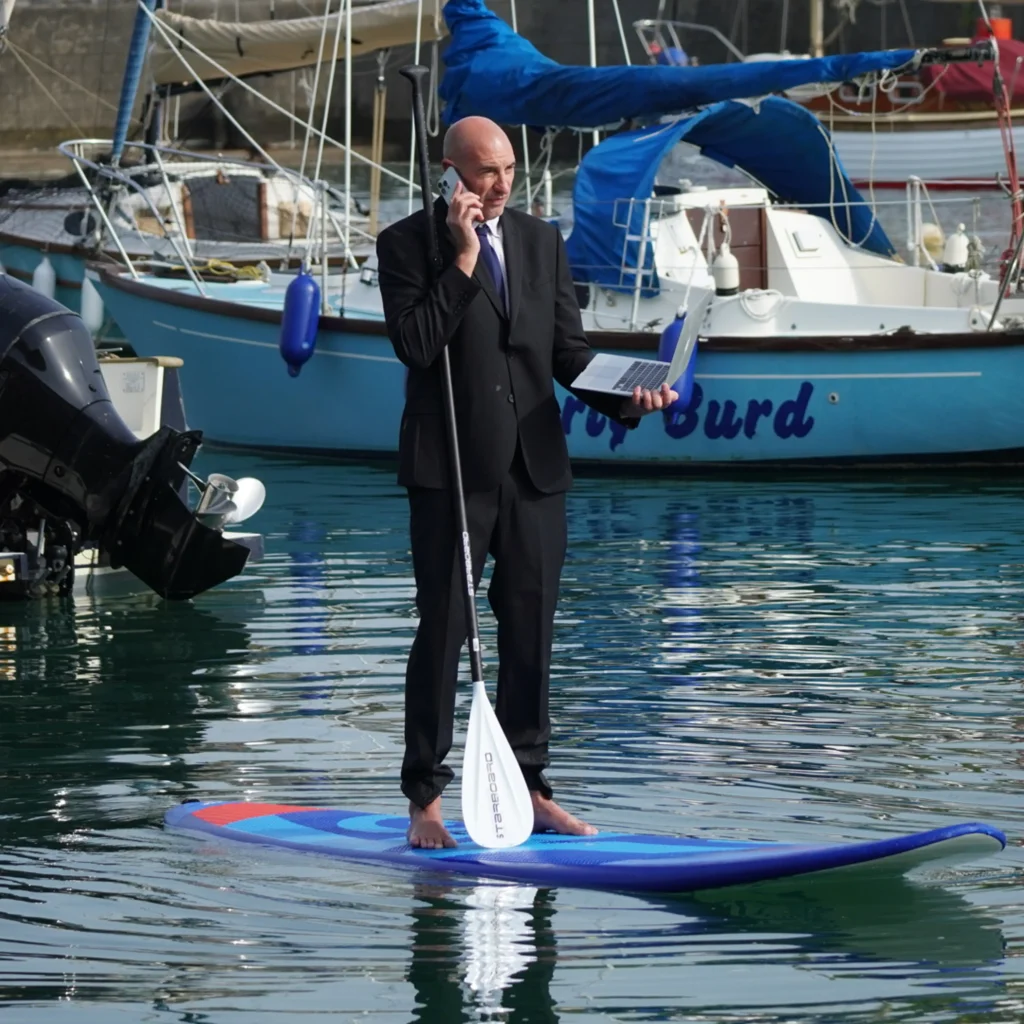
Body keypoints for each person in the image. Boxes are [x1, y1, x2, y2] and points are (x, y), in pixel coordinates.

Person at [376, 115, 678, 849]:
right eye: (485, 171)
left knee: (532, 633)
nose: (501, 183)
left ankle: (532, 787)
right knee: (443, 630)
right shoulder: (408, 244)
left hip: (535, 466)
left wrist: (626, 397)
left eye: (509, 168)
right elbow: (416, 346)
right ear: (451, 172)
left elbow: (568, 354)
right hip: (451, 467)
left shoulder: (545, 243)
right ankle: (425, 799)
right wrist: (465, 256)